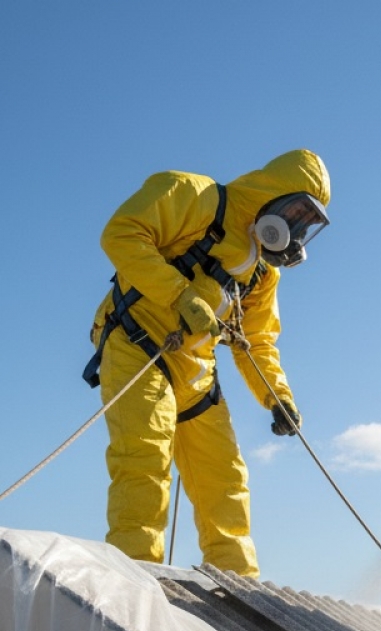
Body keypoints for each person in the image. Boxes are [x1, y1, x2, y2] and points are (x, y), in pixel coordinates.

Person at [85, 150, 331, 576]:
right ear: (272, 192)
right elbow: (122, 233)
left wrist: (278, 398)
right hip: (138, 347)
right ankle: (133, 580)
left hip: (196, 376)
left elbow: (255, 342)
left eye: (306, 222)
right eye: (295, 211)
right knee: (144, 463)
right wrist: (179, 294)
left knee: (226, 483)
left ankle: (239, 589)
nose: (295, 228)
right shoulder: (193, 195)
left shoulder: (262, 274)